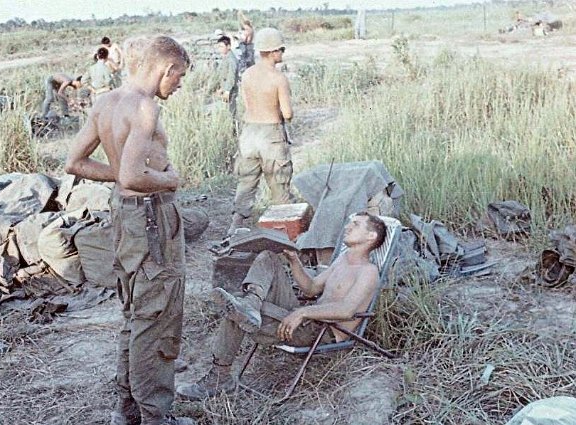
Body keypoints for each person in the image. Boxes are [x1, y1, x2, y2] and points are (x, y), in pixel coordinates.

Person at [64, 35, 194, 425]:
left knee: (136, 312)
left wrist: (121, 176)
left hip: (126, 215)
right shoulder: (144, 107)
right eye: (180, 76)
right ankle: (156, 416)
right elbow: (135, 175)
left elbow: (75, 162)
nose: (180, 84)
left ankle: (127, 409)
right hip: (151, 216)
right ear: (166, 69)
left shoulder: (105, 102)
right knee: (157, 315)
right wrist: (168, 181)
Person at [177, 212, 387, 400]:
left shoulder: (368, 272)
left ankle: (219, 378)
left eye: (356, 224)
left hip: (320, 332)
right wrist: (294, 261)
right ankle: (252, 302)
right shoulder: (342, 260)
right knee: (268, 256)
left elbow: (346, 311)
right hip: (305, 319)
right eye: (350, 222)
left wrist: (304, 312)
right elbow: (311, 289)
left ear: (371, 237)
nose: (348, 226)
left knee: (235, 310)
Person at [227, 27, 294, 235]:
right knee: (279, 185)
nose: (282, 53)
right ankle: (284, 234)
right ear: (273, 51)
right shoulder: (278, 78)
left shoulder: (247, 74)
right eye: (281, 49)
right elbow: (288, 113)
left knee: (246, 182)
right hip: (271, 135)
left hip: (249, 133)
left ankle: (234, 227)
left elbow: (246, 104)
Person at [215, 35, 239, 128]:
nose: (219, 49)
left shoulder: (231, 59)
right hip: (226, 88)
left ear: (228, 46)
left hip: (231, 90)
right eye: (218, 47)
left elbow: (231, 77)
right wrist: (222, 88)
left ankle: (234, 131)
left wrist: (227, 91)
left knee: (231, 112)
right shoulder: (226, 58)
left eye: (221, 46)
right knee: (227, 111)